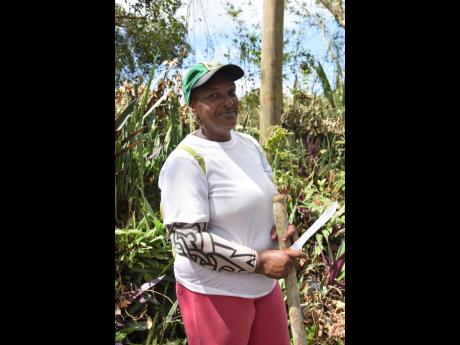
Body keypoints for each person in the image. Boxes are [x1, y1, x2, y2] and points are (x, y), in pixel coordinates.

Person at [158, 61, 307, 345]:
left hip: (263, 289)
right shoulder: (186, 161)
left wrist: (283, 234)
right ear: (193, 106)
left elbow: (265, 206)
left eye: (231, 92)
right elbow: (187, 242)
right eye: (213, 96)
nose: (228, 102)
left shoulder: (249, 145)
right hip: (216, 294)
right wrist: (258, 261)